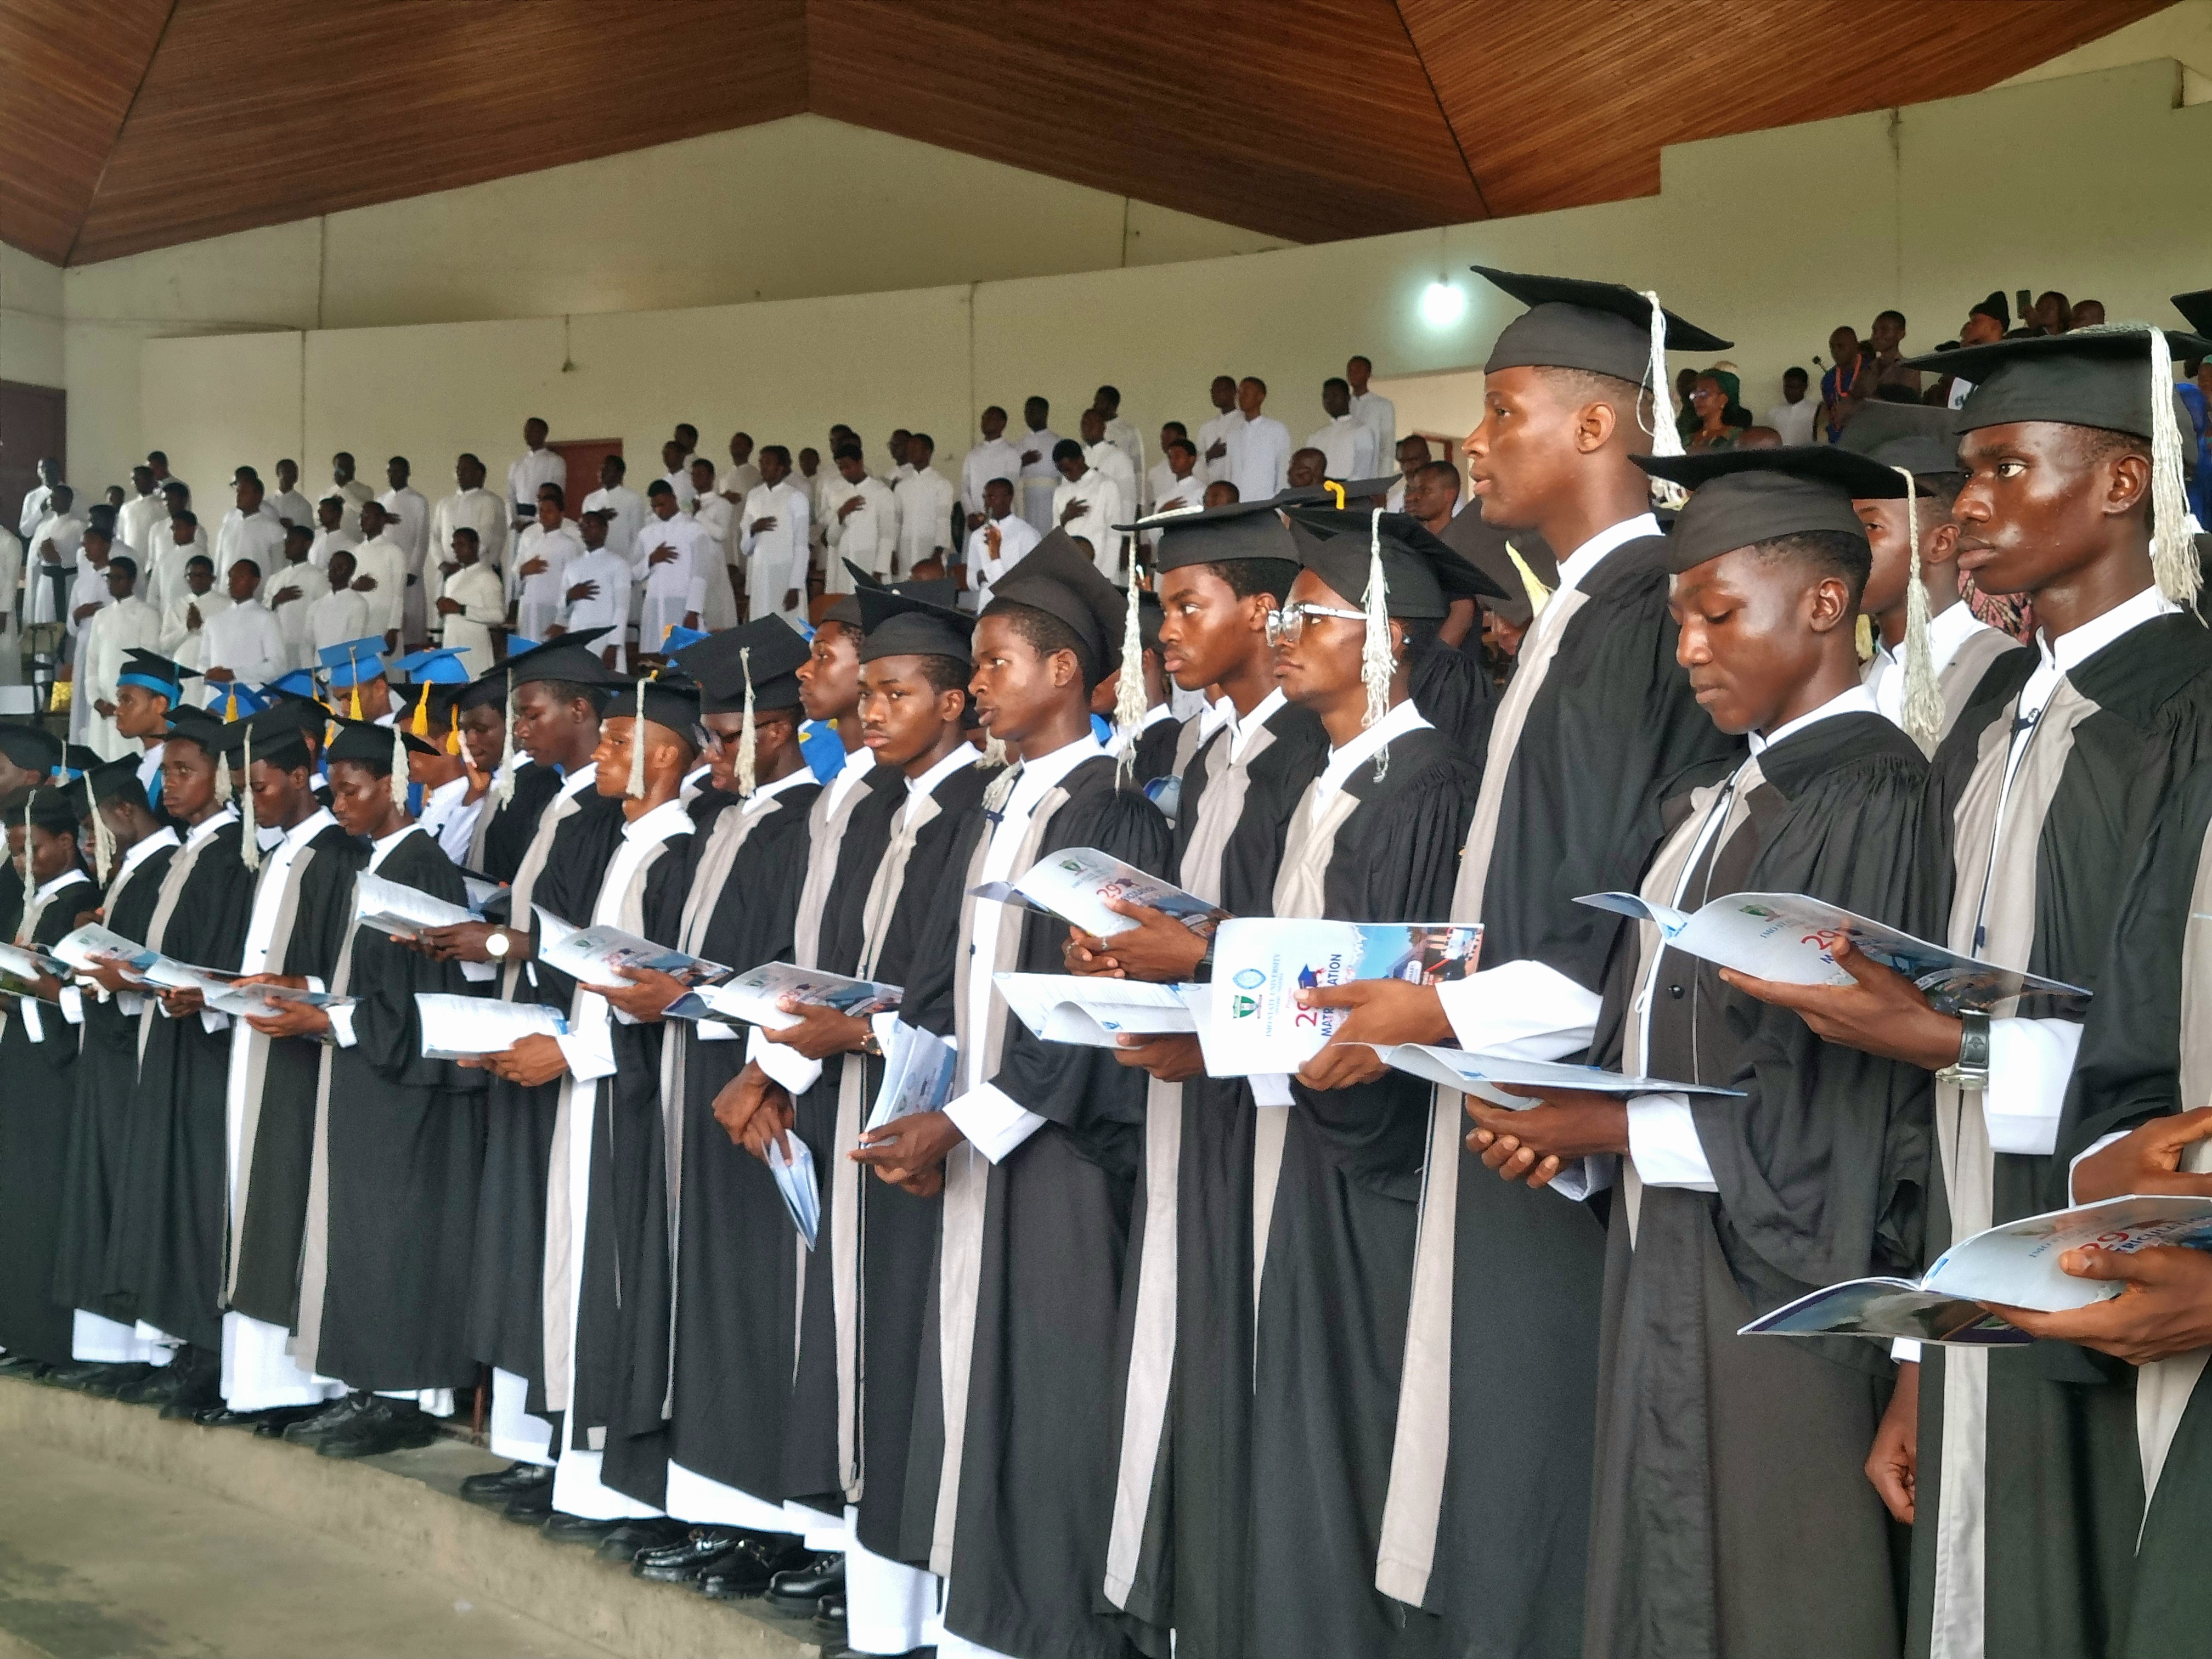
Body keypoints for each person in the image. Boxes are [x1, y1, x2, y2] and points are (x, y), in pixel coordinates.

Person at [1724, 323, 2212, 1659]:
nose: (1964, 512)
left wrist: (1943, 1036)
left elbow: (2159, 1058)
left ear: (2123, 483)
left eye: (2005, 468)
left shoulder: (2183, 713)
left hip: (2118, 1294)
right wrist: (1919, 1356)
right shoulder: (1990, 730)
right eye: (1964, 473)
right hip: (1981, 1272)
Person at [1286, 267, 1738, 1656]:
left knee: (1540, 1464)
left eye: (1501, 411)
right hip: (1504, 1085)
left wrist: (1440, 1009)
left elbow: (1620, 898)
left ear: (1599, 429)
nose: (1470, 445)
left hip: (1563, 1114)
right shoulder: (1575, 613)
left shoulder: (1647, 611)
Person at [1480, 443, 1938, 1657]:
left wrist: (1610, 1125)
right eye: (1680, 618)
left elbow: (1847, 1095)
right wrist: (1563, 1123)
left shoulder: (1870, 790)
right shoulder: (1712, 797)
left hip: (1791, 1289)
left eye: (1718, 614)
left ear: (1827, 603)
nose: (1688, 647)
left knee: (1777, 1596)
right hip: (1671, 1246)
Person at [841, 529, 1167, 1659]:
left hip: (1062, 1155)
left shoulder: (1111, 812)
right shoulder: (992, 802)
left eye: (994, 664)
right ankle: (970, 1623)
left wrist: (961, 1121)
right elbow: (938, 978)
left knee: (1050, 1391)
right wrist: (920, 1101)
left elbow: (1085, 1013)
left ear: (1064, 670)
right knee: (966, 1383)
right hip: (975, 1136)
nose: (976, 685)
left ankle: (1050, 1632)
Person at [1064, 497, 1325, 1658]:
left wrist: (1206, 988)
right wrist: (1119, 949)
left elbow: (1320, 960)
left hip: (1273, 1118)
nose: (1163, 629)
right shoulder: (1200, 752)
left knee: (1239, 1357)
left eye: (1185, 604)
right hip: (1189, 1096)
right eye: (1160, 607)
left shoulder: (1312, 755)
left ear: (1263, 612)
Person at [470, 671, 698, 1531]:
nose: (601, 751)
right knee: (574, 1272)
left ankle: (610, 1486)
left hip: (631, 1099)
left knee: (611, 1280)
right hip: (591, 1084)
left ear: (666, 759)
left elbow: (659, 998)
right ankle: (579, 1473)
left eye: (618, 743)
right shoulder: (630, 842)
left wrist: (567, 1051)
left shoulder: (676, 853)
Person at [411, 634, 625, 1517]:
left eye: (531, 713)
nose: (519, 729)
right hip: (528, 1033)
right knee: (523, 1245)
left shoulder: (606, 811)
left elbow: (590, 943)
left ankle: (562, 1453)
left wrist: (501, 939)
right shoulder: (554, 801)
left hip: (576, 1051)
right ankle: (535, 1447)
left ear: (583, 711)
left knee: (556, 1245)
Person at [261, 717, 486, 1459]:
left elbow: (425, 998)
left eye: (353, 790)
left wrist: (331, 1019)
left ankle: (403, 1398)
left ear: (394, 785)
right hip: (362, 1072)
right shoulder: (368, 863)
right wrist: (305, 995)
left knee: (398, 1237)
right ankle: (367, 1386)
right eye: (335, 791)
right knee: (361, 1235)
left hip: (407, 1089)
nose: (340, 804)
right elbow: (360, 979)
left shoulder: (423, 867)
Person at [201, 703, 364, 1431]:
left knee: (286, 1203)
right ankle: (250, 1386)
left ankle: (296, 1390)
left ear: (302, 777)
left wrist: (298, 989)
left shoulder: (337, 856)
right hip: (255, 1047)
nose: (252, 802)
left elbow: (346, 973)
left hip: (303, 1057)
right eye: (244, 790)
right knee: (251, 1200)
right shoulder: (276, 856)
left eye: (261, 787)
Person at [108, 706, 257, 1419]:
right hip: (168, 1038)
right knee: (168, 1189)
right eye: (166, 771)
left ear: (221, 778)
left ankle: (205, 1350)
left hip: (207, 1050)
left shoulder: (230, 855)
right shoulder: (186, 851)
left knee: (199, 1193)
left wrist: (184, 987)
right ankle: (177, 1344)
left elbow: (224, 959)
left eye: (185, 771)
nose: (169, 783)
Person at [45, 759, 177, 1389]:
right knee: (99, 1198)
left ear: (124, 811)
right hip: (108, 1047)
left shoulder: (165, 865)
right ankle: (111, 1350)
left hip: (138, 1053)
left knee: (128, 1200)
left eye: (92, 828)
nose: (88, 842)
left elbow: (158, 966)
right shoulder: (132, 868)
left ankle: (142, 1352)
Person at [1840, 401, 2023, 752]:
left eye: (1871, 527)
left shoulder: (2004, 674)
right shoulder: (1856, 682)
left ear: (1940, 543)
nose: (1847, 545)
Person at [0, 785, 98, 1375]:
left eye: (33, 849)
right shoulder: (35, 900)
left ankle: (52, 1340)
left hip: (59, 1072)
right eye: (15, 852)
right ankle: (20, 1330)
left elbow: (80, 1001)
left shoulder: (82, 902)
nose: (24, 863)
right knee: (18, 1199)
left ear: (67, 842)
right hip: (22, 1064)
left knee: (50, 1202)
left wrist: (29, 992)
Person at [80, 554, 162, 760]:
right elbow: (92, 663)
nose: (113, 583)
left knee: (129, 759)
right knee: (101, 760)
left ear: (132, 580)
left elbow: (149, 663)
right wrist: (96, 700)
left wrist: (129, 700)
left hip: (131, 705)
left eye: (119, 578)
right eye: (110, 578)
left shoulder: (148, 614)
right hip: (103, 704)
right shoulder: (101, 616)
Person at [427, 454, 511, 636]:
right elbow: (434, 537)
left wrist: (463, 565)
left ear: (480, 473)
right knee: (445, 626)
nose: (460, 473)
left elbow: (486, 538)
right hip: (447, 572)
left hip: (478, 571)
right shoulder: (444, 503)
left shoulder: (490, 501)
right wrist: (442, 563)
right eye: (458, 469)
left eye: (466, 469)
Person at [630, 481, 708, 656]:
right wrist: (651, 560)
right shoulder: (646, 533)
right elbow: (633, 572)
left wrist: (694, 611)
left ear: (673, 499)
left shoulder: (695, 530)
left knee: (686, 657)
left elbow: (700, 574)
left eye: (662, 504)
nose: (659, 510)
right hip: (654, 606)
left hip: (683, 606)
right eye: (654, 507)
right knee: (654, 660)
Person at [740, 446, 811, 622]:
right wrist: (753, 530)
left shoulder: (796, 498)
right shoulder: (754, 496)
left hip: (786, 574)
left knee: (789, 624)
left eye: (768, 463)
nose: (763, 467)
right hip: (760, 573)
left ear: (780, 468)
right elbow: (745, 548)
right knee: (762, 623)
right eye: (761, 463)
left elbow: (802, 546)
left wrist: (795, 586)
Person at [509, 484, 585, 644]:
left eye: (550, 511)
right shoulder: (532, 540)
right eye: (541, 510)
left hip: (553, 608)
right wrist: (523, 571)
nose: (544, 515)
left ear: (561, 514)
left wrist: (562, 620)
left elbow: (573, 584)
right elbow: (517, 571)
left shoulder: (569, 544)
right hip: (530, 608)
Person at [558, 511, 631, 668]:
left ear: (605, 529)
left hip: (605, 637)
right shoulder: (572, 566)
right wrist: (570, 596)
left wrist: (614, 644)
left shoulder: (618, 565)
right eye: (582, 527)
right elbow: (562, 610)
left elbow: (622, 608)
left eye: (591, 525)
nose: (586, 530)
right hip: (577, 636)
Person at [824, 444, 901, 592]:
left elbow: (887, 536)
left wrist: (879, 572)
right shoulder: (838, 494)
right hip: (844, 567)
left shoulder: (881, 492)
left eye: (848, 467)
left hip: (870, 566)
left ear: (860, 463)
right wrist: (842, 513)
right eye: (841, 468)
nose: (845, 472)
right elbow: (832, 540)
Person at [202, 559, 287, 688]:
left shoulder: (266, 618)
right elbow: (203, 661)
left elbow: (278, 666)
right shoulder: (213, 620)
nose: (233, 582)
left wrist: (235, 674)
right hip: (215, 694)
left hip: (252, 694)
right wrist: (209, 674)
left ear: (255, 582)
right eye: (231, 577)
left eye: (240, 577)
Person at [1052, 438, 1128, 579]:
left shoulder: (1106, 485)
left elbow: (1114, 532)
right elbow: (1056, 536)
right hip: (1071, 567)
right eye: (1062, 472)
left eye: (1069, 470)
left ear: (1081, 460)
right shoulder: (1060, 492)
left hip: (1101, 564)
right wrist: (1064, 518)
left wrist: (1107, 573)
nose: (1067, 476)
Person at [957, 476, 1037, 611]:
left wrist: (991, 569)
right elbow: (970, 580)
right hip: (986, 604)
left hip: (1015, 605)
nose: (987, 503)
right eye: (985, 498)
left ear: (1008, 499)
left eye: (992, 497)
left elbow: (1031, 577)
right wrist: (979, 577)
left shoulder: (1027, 533)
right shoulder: (978, 535)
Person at [434, 527, 505, 678]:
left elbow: (498, 616)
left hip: (474, 647)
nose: (456, 549)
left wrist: (462, 609)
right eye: (454, 545)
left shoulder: (487, 576)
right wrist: (443, 608)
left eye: (461, 544)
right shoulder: (452, 579)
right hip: (451, 645)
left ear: (475, 546)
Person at [376, 458, 431, 644]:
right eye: (390, 472)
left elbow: (422, 538)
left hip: (409, 567)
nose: (393, 475)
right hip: (386, 567)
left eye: (398, 471)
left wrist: (413, 569)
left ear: (407, 473)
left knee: (411, 614)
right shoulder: (381, 500)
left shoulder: (418, 500)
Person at [263, 523, 331, 673]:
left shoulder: (318, 577)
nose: (287, 546)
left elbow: (326, 612)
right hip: (277, 645)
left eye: (292, 542)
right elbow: (264, 609)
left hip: (304, 646)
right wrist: (276, 600)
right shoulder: (276, 578)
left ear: (307, 544)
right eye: (286, 542)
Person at [684, 458, 741, 631]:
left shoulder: (722, 504)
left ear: (711, 477)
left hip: (712, 564)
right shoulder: (687, 504)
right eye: (694, 475)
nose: (696, 478)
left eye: (701, 474)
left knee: (715, 610)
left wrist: (699, 515)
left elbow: (721, 534)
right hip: (690, 563)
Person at [348, 501, 409, 654]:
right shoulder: (354, 552)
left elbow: (399, 593)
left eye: (367, 516)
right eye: (361, 516)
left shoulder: (393, 551)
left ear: (382, 520)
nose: (362, 520)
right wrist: (354, 587)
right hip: (359, 621)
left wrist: (393, 628)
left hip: (383, 622)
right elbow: (346, 585)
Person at [893, 433, 956, 578]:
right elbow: (896, 521)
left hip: (931, 551)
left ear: (928, 452)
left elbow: (944, 520)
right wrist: (892, 552)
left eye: (915, 448)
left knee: (929, 587)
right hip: (905, 552)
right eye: (909, 448)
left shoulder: (942, 484)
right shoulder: (902, 486)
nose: (911, 451)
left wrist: (938, 553)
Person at [1224, 376, 1290, 504]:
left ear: (1260, 397)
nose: (1241, 397)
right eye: (1240, 393)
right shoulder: (1234, 435)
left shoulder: (1276, 429)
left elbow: (1283, 469)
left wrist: (1280, 504)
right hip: (1238, 505)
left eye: (1247, 392)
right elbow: (1229, 473)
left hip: (1266, 502)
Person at [961, 407, 1024, 528]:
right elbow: (965, 489)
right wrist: (971, 514)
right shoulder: (973, 454)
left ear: (1002, 423)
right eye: (984, 418)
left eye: (991, 418)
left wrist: (989, 515)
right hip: (975, 520)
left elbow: (1009, 489)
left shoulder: (1011, 453)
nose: (985, 421)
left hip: (1001, 520)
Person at [1307, 376, 1378, 478]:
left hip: (1349, 489)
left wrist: (1337, 487)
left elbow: (1362, 473)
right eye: (1326, 396)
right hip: (1319, 489)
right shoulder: (1317, 436)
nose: (1330, 400)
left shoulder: (1362, 431)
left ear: (1348, 398)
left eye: (1335, 395)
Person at [582, 453, 646, 565]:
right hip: (595, 562)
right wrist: (598, 517)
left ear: (620, 473)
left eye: (608, 470)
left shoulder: (633, 499)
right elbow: (583, 529)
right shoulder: (590, 499)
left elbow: (638, 536)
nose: (602, 473)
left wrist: (632, 564)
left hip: (624, 560)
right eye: (601, 469)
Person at [307, 547, 370, 657]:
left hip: (344, 665)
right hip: (318, 666)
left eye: (340, 567)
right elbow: (307, 643)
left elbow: (353, 642)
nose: (333, 569)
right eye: (331, 565)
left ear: (351, 572)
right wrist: (310, 666)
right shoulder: (316, 605)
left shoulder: (358, 604)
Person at [1014, 396, 1063, 533]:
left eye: (1034, 411)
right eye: (1027, 411)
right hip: (1025, 497)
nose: (1030, 415)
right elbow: (1009, 474)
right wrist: (1021, 463)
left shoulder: (1058, 443)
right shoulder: (1018, 445)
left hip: (1051, 497)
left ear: (1045, 413)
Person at [506, 417, 563, 534]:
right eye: (526, 430)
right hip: (518, 525)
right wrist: (514, 521)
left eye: (533, 430)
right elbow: (510, 496)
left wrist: (536, 521)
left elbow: (555, 495)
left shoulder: (555, 462)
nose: (529, 434)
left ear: (544, 433)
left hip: (541, 523)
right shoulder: (517, 464)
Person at [1347, 353, 1396, 475]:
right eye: (1350, 370)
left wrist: (1384, 478)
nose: (1353, 374)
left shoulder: (1383, 405)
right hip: (1347, 472)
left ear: (1368, 374)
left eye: (1358, 370)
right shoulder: (1344, 404)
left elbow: (1387, 445)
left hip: (1373, 472)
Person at [1819, 325, 1867, 441]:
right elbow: (1829, 411)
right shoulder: (1828, 379)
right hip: (1839, 441)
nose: (1835, 351)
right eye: (1832, 347)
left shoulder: (1871, 370)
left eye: (1840, 346)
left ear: (1856, 346)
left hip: (1867, 439)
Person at [1197, 374, 1243, 488]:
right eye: (1213, 391)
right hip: (1211, 487)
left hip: (1239, 486)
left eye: (1221, 390)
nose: (1215, 394)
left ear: (1234, 392)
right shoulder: (1206, 427)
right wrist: (1210, 455)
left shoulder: (1245, 422)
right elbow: (1197, 462)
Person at [1095, 384, 1146, 486]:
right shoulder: (1092, 430)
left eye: (1099, 401)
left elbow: (1138, 469)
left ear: (1111, 405)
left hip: (1122, 487)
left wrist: (1140, 495)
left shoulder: (1129, 432)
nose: (1095, 405)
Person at [1684, 370, 1740, 451]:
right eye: (1694, 395)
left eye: (1704, 394)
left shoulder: (1737, 437)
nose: (1697, 400)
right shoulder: (1688, 439)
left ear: (1723, 400)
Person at [118, 465, 168, 556]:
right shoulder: (126, 508)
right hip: (130, 556)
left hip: (156, 555)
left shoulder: (163, 506)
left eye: (139, 479)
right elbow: (121, 536)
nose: (135, 483)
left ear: (151, 480)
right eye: (133, 479)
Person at [306, 494, 359, 574]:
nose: (320, 514)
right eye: (320, 511)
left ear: (336, 514)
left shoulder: (348, 544)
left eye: (324, 511)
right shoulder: (316, 537)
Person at [1765, 365, 1817, 445]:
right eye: (1787, 387)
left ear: (1805, 387)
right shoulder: (1774, 413)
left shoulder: (1815, 412)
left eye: (1794, 388)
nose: (1789, 392)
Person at [18, 456, 61, 544]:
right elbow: (25, 532)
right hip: (40, 547)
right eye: (43, 468)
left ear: (59, 471)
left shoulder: (74, 494)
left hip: (67, 546)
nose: (47, 472)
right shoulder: (32, 497)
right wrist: (40, 511)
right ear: (38, 472)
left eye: (51, 469)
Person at [330, 453, 374, 535]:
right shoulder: (329, 492)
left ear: (353, 468)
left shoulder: (366, 490)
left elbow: (365, 511)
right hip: (334, 538)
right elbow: (318, 519)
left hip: (355, 539)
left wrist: (343, 489)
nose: (342, 470)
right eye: (339, 467)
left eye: (345, 466)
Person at [716, 430, 762, 508]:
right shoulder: (724, 475)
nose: (734, 446)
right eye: (733, 443)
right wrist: (723, 498)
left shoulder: (756, 476)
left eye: (739, 444)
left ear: (749, 449)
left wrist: (740, 498)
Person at [267, 458, 313, 531]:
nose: (292, 475)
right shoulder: (267, 502)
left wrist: (292, 525)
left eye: (295, 472)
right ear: (278, 473)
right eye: (288, 472)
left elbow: (309, 529)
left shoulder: (303, 504)